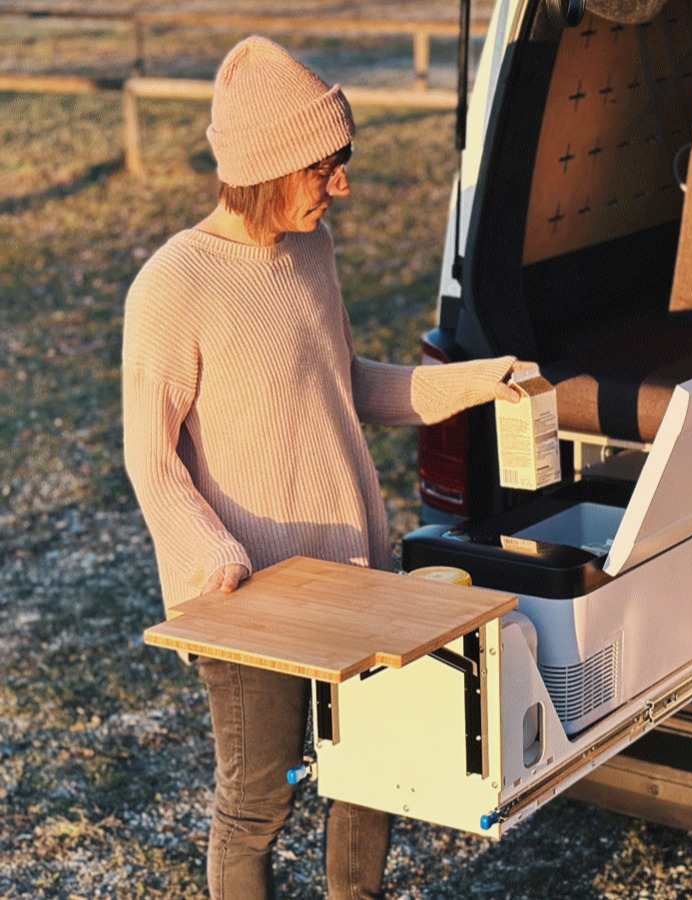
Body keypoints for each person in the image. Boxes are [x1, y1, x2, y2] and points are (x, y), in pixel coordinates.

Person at [122, 35, 523, 900]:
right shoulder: (174, 283)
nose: (341, 185)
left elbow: (350, 384)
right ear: (269, 166)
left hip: (351, 578)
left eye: (342, 163)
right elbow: (150, 459)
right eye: (325, 167)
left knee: (369, 781)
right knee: (257, 807)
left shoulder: (313, 251)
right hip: (249, 602)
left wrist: (475, 383)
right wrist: (216, 561)